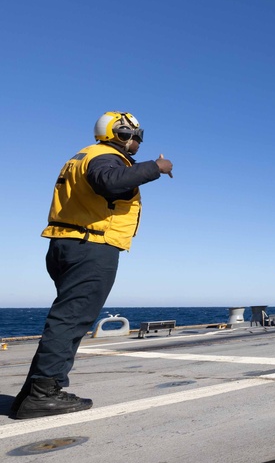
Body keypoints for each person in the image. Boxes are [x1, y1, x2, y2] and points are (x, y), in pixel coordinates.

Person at [11, 112, 172, 419]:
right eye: (135, 135)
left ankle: (35, 391)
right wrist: (157, 168)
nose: (137, 140)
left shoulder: (85, 155)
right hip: (91, 246)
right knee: (69, 320)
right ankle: (42, 394)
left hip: (67, 243)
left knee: (67, 319)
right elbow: (109, 182)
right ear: (121, 133)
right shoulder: (105, 157)